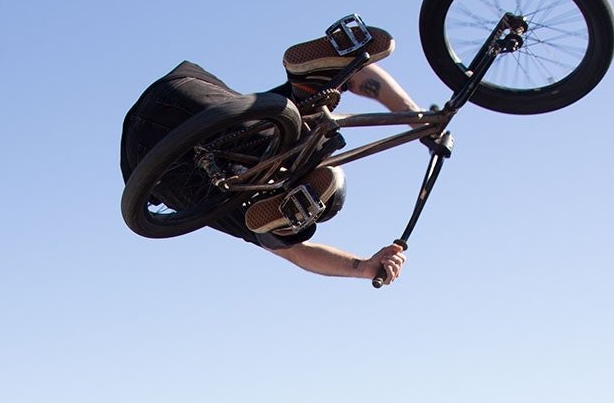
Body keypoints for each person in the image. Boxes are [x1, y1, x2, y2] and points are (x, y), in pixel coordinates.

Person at [121, 22, 418, 283]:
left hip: (182, 94)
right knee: (279, 199)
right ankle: (298, 204)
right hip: (151, 163)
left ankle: (309, 82)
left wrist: (411, 116)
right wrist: (362, 268)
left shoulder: (282, 120)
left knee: (308, 106)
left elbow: (357, 75)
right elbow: (298, 254)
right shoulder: (254, 217)